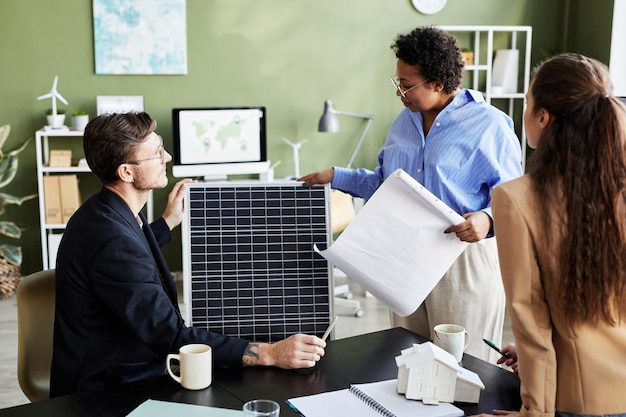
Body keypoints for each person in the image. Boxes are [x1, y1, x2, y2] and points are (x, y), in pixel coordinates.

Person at [50, 112, 326, 397]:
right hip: (107, 386)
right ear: (127, 172)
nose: (167, 157)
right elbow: (170, 335)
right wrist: (269, 353)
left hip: (122, 359)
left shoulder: (106, 212)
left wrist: (168, 221)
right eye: (157, 153)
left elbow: (129, 257)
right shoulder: (110, 238)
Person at [299, 26, 523, 362]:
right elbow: (388, 184)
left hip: (461, 258)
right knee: (407, 357)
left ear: (437, 83)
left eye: (407, 85)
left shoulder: (491, 125)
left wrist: (487, 219)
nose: (399, 92)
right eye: (398, 82)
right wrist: (336, 176)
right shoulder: (404, 121)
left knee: (464, 363)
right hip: (402, 256)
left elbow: (515, 200)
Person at [486, 53, 626, 416]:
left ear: (543, 117)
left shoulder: (517, 199)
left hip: (582, 402)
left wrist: (532, 413)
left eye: (528, 103)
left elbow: (533, 329)